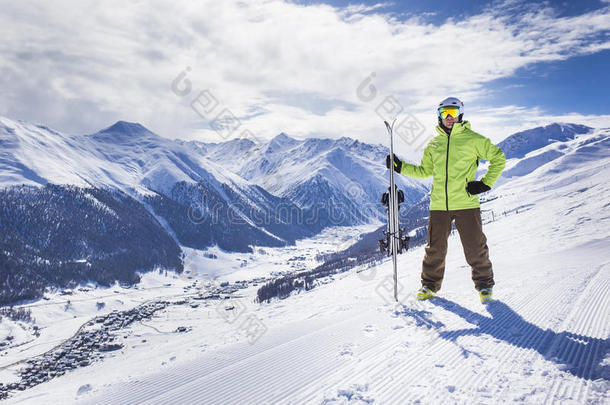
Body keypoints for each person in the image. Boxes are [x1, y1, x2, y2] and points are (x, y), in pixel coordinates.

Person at [386, 97, 505, 303]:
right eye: (444, 113)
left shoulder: (474, 140)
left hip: (466, 203)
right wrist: (400, 167)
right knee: (434, 249)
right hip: (439, 205)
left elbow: (498, 158)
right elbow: (424, 171)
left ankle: (485, 286)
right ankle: (429, 286)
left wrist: (485, 183)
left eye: (453, 112)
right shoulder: (434, 144)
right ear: (439, 116)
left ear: (461, 114)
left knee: (475, 247)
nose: (449, 117)